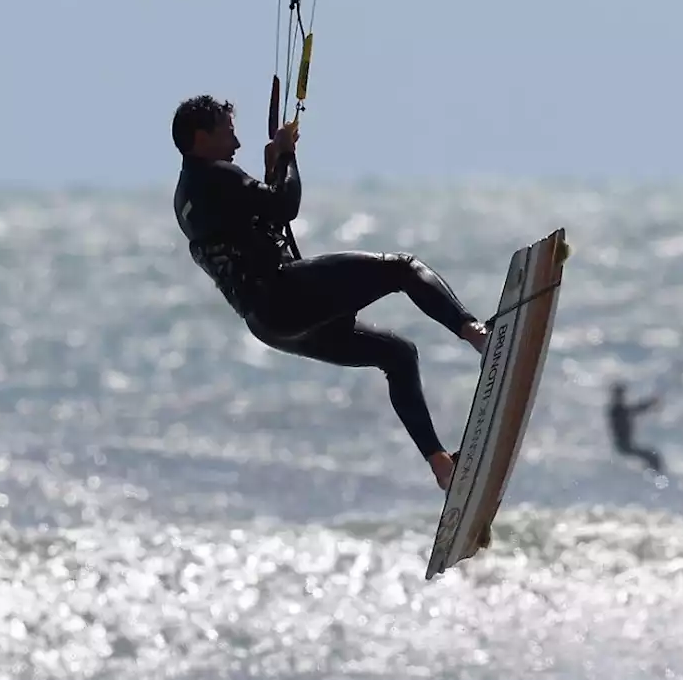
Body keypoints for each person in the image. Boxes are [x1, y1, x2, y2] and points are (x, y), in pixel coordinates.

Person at [169, 95, 489, 492]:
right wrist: (287, 156)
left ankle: (441, 465)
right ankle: (479, 336)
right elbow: (285, 206)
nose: (236, 146)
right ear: (201, 138)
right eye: (228, 134)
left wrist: (274, 168)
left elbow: (256, 218)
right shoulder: (218, 175)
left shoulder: (187, 195)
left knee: (398, 355)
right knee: (403, 268)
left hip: (270, 324)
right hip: (283, 295)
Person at [607, 382, 666, 474]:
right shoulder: (617, 410)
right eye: (620, 394)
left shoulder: (619, 409)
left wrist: (650, 404)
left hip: (626, 445)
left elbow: (634, 410)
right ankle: (654, 477)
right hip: (623, 446)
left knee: (652, 456)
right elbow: (635, 409)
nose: (623, 397)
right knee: (653, 457)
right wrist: (650, 403)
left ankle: (650, 473)